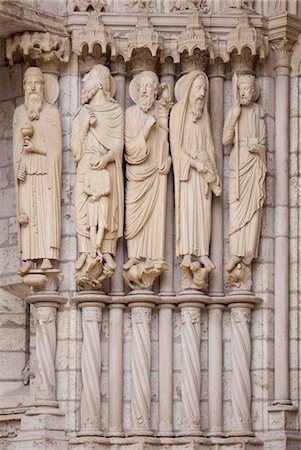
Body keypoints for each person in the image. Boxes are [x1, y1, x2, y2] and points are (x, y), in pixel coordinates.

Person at [71, 64, 124, 272]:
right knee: (83, 207)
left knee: (106, 209)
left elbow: (119, 144)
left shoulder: (116, 112)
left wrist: (107, 158)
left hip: (106, 165)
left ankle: (107, 251)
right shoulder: (83, 112)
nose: (84, 81)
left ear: (101, 83)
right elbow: (75, 148)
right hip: (86, 164)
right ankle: (85, 251)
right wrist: (84, 126)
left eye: (90, 77)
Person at [170, 70, 221, 277]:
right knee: (188, 211)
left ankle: (202, 251)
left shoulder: (204, 117)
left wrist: (213, 173)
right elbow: (176, 147)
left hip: (202, 175)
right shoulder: (177, 114)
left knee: (203, 213)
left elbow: (209, 145)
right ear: (188, 90)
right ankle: (188, 253)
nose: (201, 93)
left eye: (204, 89)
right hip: (188, 175)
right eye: (198, 88)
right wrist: (193, 164)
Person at [13, 67, 62, 275]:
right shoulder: (19, 113)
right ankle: (28, 257)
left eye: (37, 83)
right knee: (29, 214)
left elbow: (56, 148)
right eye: (28, 83)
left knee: (44, 213)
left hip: (46, 173)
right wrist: (18, 169)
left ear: (43, 87)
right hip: (27, 175)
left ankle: (46, 256)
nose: (33, 88)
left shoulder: (52, 113)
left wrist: (36, 148)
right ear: (23, 87)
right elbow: (15, 149)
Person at [124, 71, 171, 274]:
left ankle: (154, 255)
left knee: (155, 213)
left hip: (155, 173)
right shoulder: (130, 114)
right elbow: (129, 148)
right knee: (133, 214)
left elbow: (165, 144)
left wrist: (168, 161)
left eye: (149, 87)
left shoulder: (160, 114)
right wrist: (145, 129)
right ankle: (134, 255)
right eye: (142, 87)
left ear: (155, 91)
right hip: (137, 173)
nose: (144, 91)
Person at [223, 74, 266, 274]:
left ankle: (247, 251)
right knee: (236, 208)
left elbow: (264, 144)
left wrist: (257, 147)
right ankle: (235, 251)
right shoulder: (235, 112)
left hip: (253, 166)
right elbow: (225, 140)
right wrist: (233, 116)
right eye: (240, 89)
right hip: (237, 164)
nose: (243, 93)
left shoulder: (258, 113)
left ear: (254, 92)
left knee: (252, 209)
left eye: (248, 89)